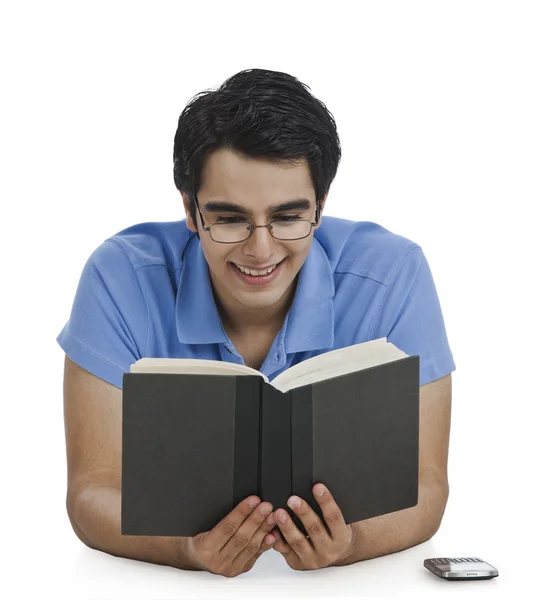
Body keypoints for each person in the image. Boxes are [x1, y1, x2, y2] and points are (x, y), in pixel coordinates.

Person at [57, 68, 456, 577]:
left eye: (289, 217)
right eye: (228, 219)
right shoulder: (119, 277)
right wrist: (185, 551)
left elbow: (427, 487)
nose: (261, 249)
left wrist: (351, 543)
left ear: (321, 205)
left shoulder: (394, 274)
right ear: (190, 209)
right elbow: (91, 491)